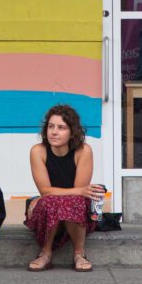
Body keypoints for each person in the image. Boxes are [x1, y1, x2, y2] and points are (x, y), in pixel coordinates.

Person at [25, 105, 104, 272]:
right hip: (49, 211)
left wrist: (71, 192)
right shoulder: (38, 151)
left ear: (72, 132)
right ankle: (45, 254)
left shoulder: (83, 151)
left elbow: (80, 193)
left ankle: (79, 253)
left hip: (75, 215)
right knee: (50, 202)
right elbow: (45, 191)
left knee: (72, 202)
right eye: (51, 126)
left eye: (61, 128)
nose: (54, 132)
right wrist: (44, 197)